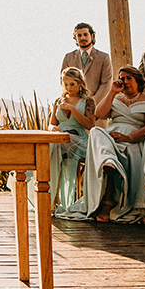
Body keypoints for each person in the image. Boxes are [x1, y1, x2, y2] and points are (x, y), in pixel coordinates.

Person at [57, 67, 145, 224]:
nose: (124, 82)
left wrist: (129, 137)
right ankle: (109, 161)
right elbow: (99, 114)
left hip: (134, 140)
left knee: (114, 144)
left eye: (128, 78)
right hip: (111, 140)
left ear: (138, 80)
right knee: (97, 131)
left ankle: (109, 199)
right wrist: (112, 92)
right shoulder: (117, 99)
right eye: (121, 78)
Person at [49, 67, 95, 212]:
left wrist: (73, 108)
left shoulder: (88, 101)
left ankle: (39, 179)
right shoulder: (59, 100)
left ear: (80, 83)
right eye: (65, 84)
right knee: (55, 143)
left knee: (56, 144)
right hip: (60, 139)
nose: (68, 88)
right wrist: (53, 129)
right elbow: (52, 124)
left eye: (72, 84)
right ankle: (50, 200)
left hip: (80, 140)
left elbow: (90, 124)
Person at [61, 22, 113, 109]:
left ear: (92, 36)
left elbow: (107, 83)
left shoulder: (104, 57)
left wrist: (91, 103)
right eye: (79, 35)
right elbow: (63, 81)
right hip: (73, 107)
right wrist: (74, 101)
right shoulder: (68, 58)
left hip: (97, 107)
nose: (83, 38)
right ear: (75, 38)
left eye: (85, 34)